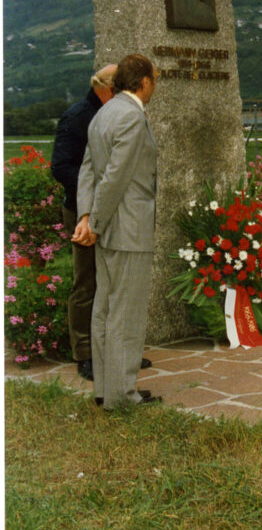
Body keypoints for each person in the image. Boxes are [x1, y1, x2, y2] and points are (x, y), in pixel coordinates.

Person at [50, 65, 151, 382]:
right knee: (87, 283)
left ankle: (115, 351)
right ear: (108, 88)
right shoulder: (78, 117)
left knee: (115, 285)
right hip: (83, 213)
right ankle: (84, 353)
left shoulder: (117, 114)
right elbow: (62, 167)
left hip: (114, 212)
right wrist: (91, 204)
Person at [74, 54, 161, 408]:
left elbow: (88, 170)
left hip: (108, 228)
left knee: (105, 310)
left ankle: (104, 390)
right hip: (128, 229)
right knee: (126, 314)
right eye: (154, 79)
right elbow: (115, 177)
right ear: (144, 82)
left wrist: (86, 216)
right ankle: (122, 396)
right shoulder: (132, 116)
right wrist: (94, 223)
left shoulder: (103, 113)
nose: (155, 86)